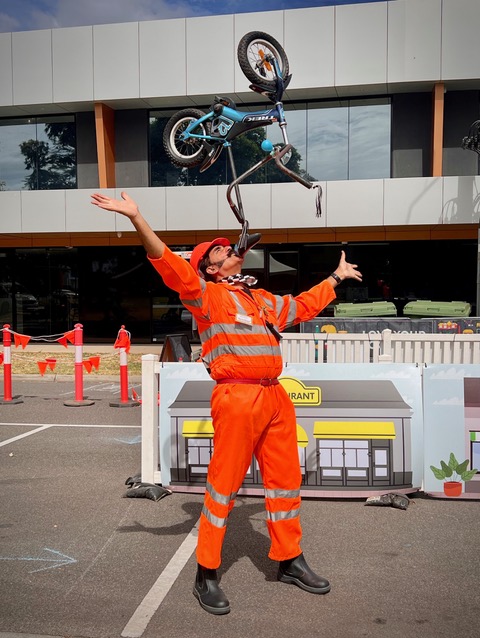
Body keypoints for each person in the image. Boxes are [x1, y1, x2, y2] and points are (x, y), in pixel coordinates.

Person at [91, 191, 363, 616]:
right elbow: (168, 262)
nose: (229, 248)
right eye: (219, 249)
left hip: (275, 396)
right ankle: (206, 573)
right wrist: (137, 218)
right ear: (210, 268)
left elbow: (301, 306)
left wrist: (334, 278)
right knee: (223, 487)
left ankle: (289, 559)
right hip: (237, 396)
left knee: (285, 483)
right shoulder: (206, 296)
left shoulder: (260, 298)